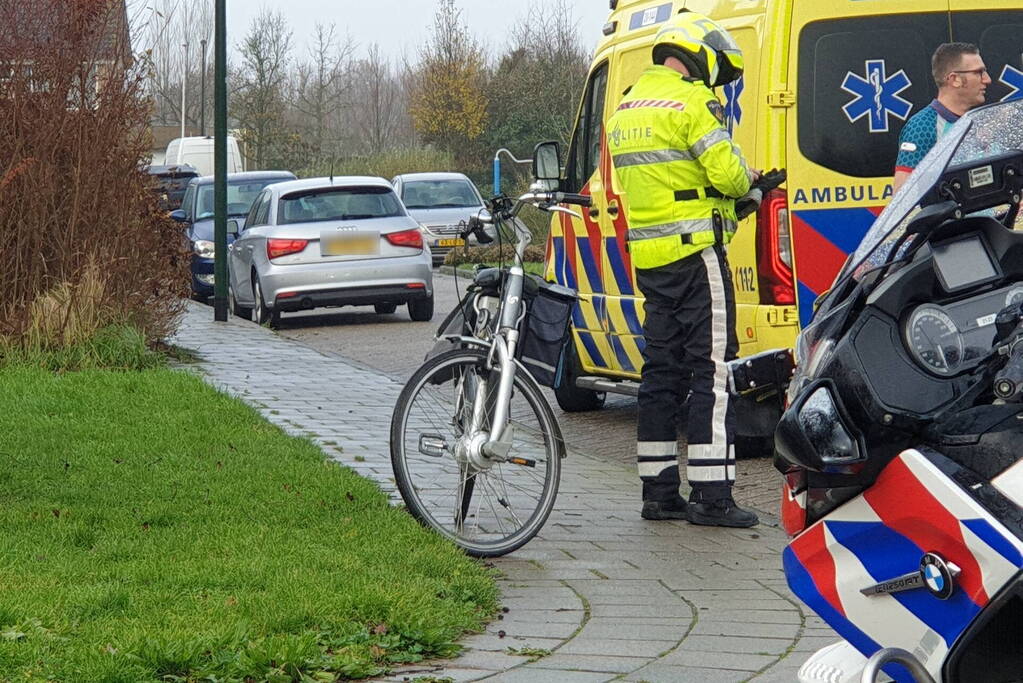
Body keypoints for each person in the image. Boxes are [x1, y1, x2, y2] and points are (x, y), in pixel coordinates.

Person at [606, 10, 759, 528]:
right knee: (712, 372)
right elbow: (729, 177)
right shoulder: (693, 102)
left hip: (651, 261)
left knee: (660, 372)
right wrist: (751, 183)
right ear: (699, 55)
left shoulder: (626, 109)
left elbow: (668, 184)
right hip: (697, 259)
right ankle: (712, 497)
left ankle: (658, 493)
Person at [894, 43, 990, 193]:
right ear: (954, 79)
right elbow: (902, 195)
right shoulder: (922, 126)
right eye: (979, 72)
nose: (987, 79)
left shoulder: (976, 121)